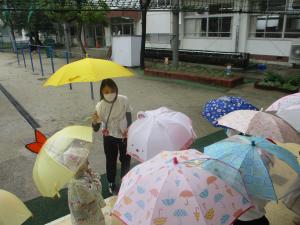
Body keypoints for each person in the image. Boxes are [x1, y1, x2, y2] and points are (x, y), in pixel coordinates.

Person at [92, 78, 132, 194]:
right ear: (102, 93)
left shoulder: (124, 100)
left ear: (116, 89)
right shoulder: (99, 106)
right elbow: (96, 129)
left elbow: (129, 118)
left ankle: (125, 180)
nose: (110, 94)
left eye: (112, 90)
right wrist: (95, 122)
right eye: (106, 92)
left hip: (124, 135)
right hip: (109, 136)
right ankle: (111, 182)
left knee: (126, 159)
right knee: (111, 160)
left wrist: (129, 129)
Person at [68, 160, 106, 225]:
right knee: (91, 221)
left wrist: (91, 175)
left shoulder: (77, 177)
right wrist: (94, 179)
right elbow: (90, 197)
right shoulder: (78, 184)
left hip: (82, 213)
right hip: (88, 213)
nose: (88, 162)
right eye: (86, 161)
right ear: (79, 166)